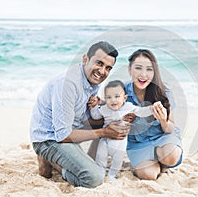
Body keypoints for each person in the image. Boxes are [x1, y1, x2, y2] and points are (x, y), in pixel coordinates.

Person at [29, 41, 131, 188]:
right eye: (99, 63)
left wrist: (111, 114)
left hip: (71, 129)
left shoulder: (93, 81)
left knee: (109, 120)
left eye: (108, 68)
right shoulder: (67, 84)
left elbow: (88, 117)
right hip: (49, 138)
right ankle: (52, 162)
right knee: (94, 178)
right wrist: (104, 132)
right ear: (85, 59)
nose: (102, 71)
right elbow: (63, 135)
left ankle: (64, 158)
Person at [125, 49, 183, 180]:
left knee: (171, 157)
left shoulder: (163, 92)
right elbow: (109, 111)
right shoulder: (122, 92)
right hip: (138, 144)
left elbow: (170, 128)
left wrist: (163, 120)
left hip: (163, 137)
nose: (143, 75)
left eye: (149, 69)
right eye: (138, 68)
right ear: (130, 70)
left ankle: (161, 161)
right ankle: (155, 164)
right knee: (148, 175)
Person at [88, 80, 161, 180]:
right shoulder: (105, 108)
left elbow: (141, 111)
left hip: (120, 143)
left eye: (117, 96)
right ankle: (101, 173)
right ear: (105, 98)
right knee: (101, 157)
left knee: (117, 161)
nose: (113, 100)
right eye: (109, 97)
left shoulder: (128, 107)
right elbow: (95, 116)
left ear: (124, 98)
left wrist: (152, 108)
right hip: (105, 140)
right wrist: (93, 107)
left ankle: (112, 175)